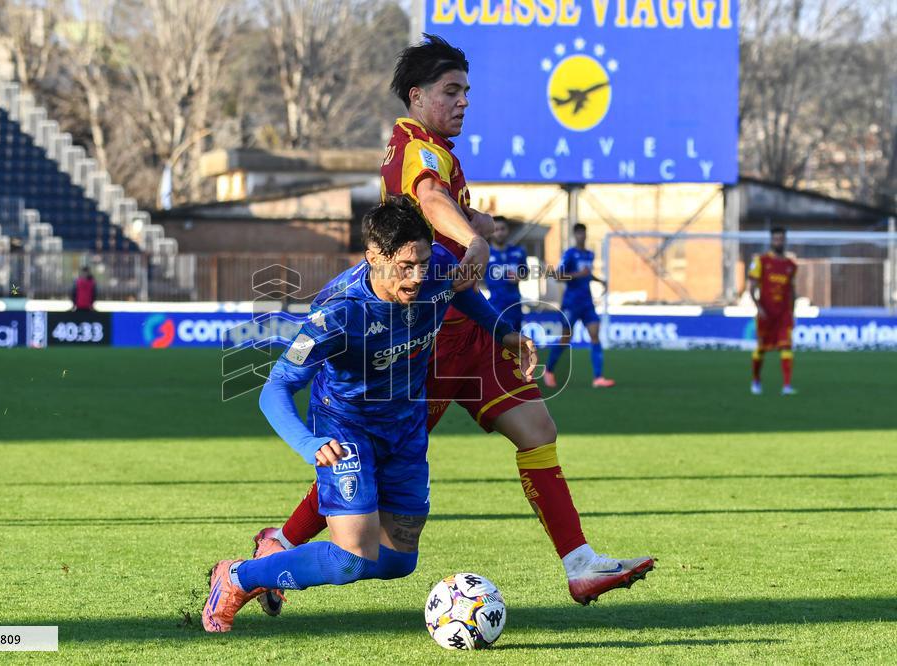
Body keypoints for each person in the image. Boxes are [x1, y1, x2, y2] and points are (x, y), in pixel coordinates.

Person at [251, 34, 651, 613]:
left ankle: (579, 563)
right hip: (424, 336)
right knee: (369, 463)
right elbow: (431, 198)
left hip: (466, 323)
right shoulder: (419, 150)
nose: (464, 101)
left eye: (466, 90)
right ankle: (279, 546)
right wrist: (469, 236)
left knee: (537, 428)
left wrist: (477, 222)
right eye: (451, 90)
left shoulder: (428, 146)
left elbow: (442, 203)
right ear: (417, 96)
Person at [202, 197, 535, 633]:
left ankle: (274, 556)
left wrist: (504, 332)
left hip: (405, 424)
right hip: (345, 426)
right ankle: (236, 578)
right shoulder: (337, 312)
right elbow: (275, 388)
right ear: (374, 257)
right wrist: (309, 443)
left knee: (399, 560)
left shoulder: (434, 265)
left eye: (421, 262)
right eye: (404, 266)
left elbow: (462, 293)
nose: (417, 276)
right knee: (352, 555)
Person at [544, 223, 615, 389]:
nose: (581, 236)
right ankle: (548, 370)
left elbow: (587, 275)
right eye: (578, 234)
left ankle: (598, 378)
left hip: (587, 303)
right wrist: (577, 275)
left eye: (583, 233)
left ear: (586, 234)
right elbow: (558, 276)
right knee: (565, 338)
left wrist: (599, 281)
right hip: (571, 303)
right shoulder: (569, 254)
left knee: (595, 335)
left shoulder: (590, 254)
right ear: (574, 235)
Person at [748, 227, 798, 395]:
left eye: (781, 239)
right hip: (766, 313)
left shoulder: (791, 265)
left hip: (784, 314)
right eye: (776, 239)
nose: (779, 242)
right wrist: (758, 307)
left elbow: (792, 290)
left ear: (785, 240)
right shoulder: (761, 261)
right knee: (761, 349)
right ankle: (756, 380)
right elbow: (751, 288)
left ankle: (787, 386)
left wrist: (793, 311)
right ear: (771, 241)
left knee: (786, 347)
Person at [485, 217, 528, 332]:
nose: (499, 232)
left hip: (515, 303)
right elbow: (475, 276)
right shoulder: (485, 253)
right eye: (496, 229)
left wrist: (519, 277)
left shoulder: (519, 251)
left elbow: (525, 273)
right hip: (496, 303)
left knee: (516, 340)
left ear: (507, 230)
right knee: (499, 339)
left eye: (502, 229)